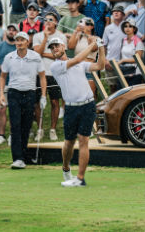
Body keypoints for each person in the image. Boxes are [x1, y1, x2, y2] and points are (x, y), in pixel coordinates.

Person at [49, 36, 105, 187]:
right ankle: (66, 168)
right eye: (52, 47)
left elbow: (99, 65)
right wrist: (92, 44)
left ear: (64, 47)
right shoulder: (55, 66)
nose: (54, 49)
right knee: (69, 142)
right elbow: (77, 60)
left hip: (87, 105)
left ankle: (80, 178)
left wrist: (100, 47)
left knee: (83, 140)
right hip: (71, 108)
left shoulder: (79, 63)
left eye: (57, 46)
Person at [0, 32, 46, 169]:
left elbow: (42, 77)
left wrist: (43, 96)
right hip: (14, 93)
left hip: (30, 93)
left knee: (26, 126)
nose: (19, 42)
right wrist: (2, 94)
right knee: (15, 125)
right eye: (17, 40)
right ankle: (17, 158)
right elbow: (2, 77)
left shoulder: (35, 57)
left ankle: (24, 156)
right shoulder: (9, 57)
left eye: (22, 40)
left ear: (27, 42)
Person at [33, 12, 67, 141]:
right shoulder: (38, 36)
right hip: (39, 73)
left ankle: (52, 129)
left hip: (55, 73)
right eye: (46, 20)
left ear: (56, 22)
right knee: (37, 103)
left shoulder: (61, 36)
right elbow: (37, 53)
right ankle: (40, 129)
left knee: (54, 101)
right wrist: (45, 39)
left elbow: (60, 55)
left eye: (51, 20)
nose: (48, 22)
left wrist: (45, 54)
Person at [0, 24, 19, 146]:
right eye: (10, 30)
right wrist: (2, 68)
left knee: (13, 110)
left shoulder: (19, 46)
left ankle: (13, 135)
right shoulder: (0, 46)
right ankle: (1, 135)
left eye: (14, 30)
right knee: (1, 110)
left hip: (15, 84)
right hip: (2, 83)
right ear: (6, 32)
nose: (11, 32)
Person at [103, 5, 126, 88]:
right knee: (112, 87)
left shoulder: (128, 27)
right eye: (114, 11)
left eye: (118, 11)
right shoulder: (107, 28)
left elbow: (139, 37)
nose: (115, 12)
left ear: (123, 15)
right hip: (110, 62)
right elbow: (103, 45)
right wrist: (105, 60)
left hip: (125, 62)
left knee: (124, 87)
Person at [119, 20, 144, 86]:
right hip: (123, 71)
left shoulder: (138, 42)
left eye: (130, 26)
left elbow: (137, 59)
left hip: (135, 73)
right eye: (125, 26)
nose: (127, 28)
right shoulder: (123, 40)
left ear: (134, 29)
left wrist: (123, 60)